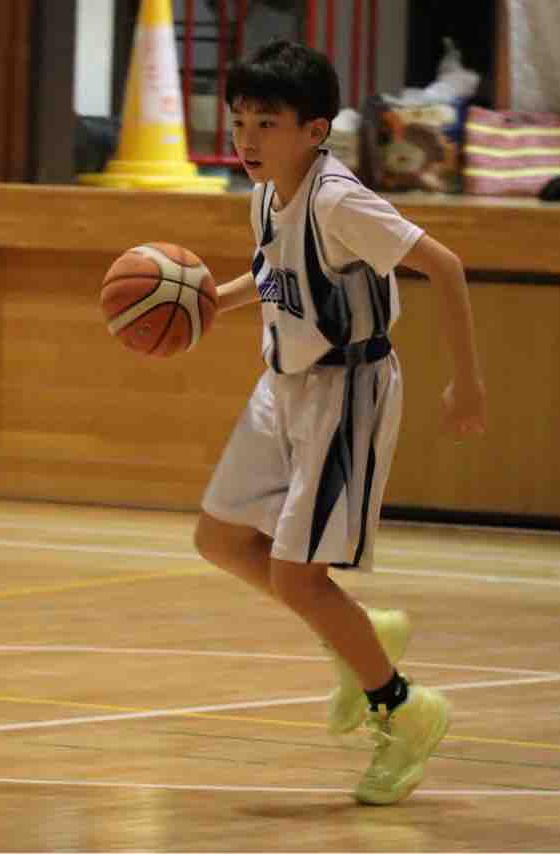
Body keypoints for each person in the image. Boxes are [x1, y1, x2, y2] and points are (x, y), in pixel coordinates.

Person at [193, 41, 487, 805]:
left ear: (315, 130)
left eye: (266, 123)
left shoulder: (337, 201)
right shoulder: (267, 193)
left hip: (348, 390)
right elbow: (276, 275)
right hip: (284, 381)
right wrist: (204, 304)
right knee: (219, 538)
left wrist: (467, 381)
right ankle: (356, 631)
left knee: (297, 575)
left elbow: (445, 265)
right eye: (239, 122)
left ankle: (404, 709)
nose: (247, 139)